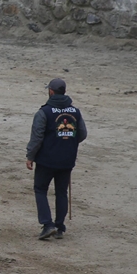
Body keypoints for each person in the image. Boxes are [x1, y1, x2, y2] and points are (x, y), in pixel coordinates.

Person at [25, 77, 87, 241]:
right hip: (67, 160)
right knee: (61, 192)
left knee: (40, 189)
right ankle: (59, 226)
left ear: (51, 91)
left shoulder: (44, 112)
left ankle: (47, 224)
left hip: (46, 160)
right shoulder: (75, 112)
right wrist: (68, 144)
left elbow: (37, 137)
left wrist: (30, 156)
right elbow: (82, 134)